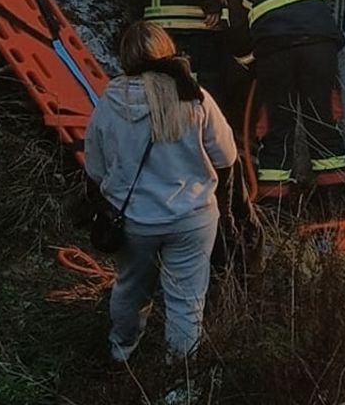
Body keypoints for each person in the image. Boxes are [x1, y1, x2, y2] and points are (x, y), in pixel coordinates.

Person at [84, 22, 236, 364]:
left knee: (130, 290)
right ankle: (179, 378)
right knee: (186, 301)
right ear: (168, 49)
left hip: (135, 221)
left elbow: (94, 166)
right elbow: (227, 156)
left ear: (125, 56)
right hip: (193, 219)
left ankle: (120, 355)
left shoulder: (111, 100)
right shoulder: (195, 95)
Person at [220, 0, 345, 201]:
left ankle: (273, 206)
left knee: (277, 127)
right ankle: (333, 202)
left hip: (272, 53)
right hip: (316, 43)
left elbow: (236, 33)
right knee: (322, 118)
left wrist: (250, 61)